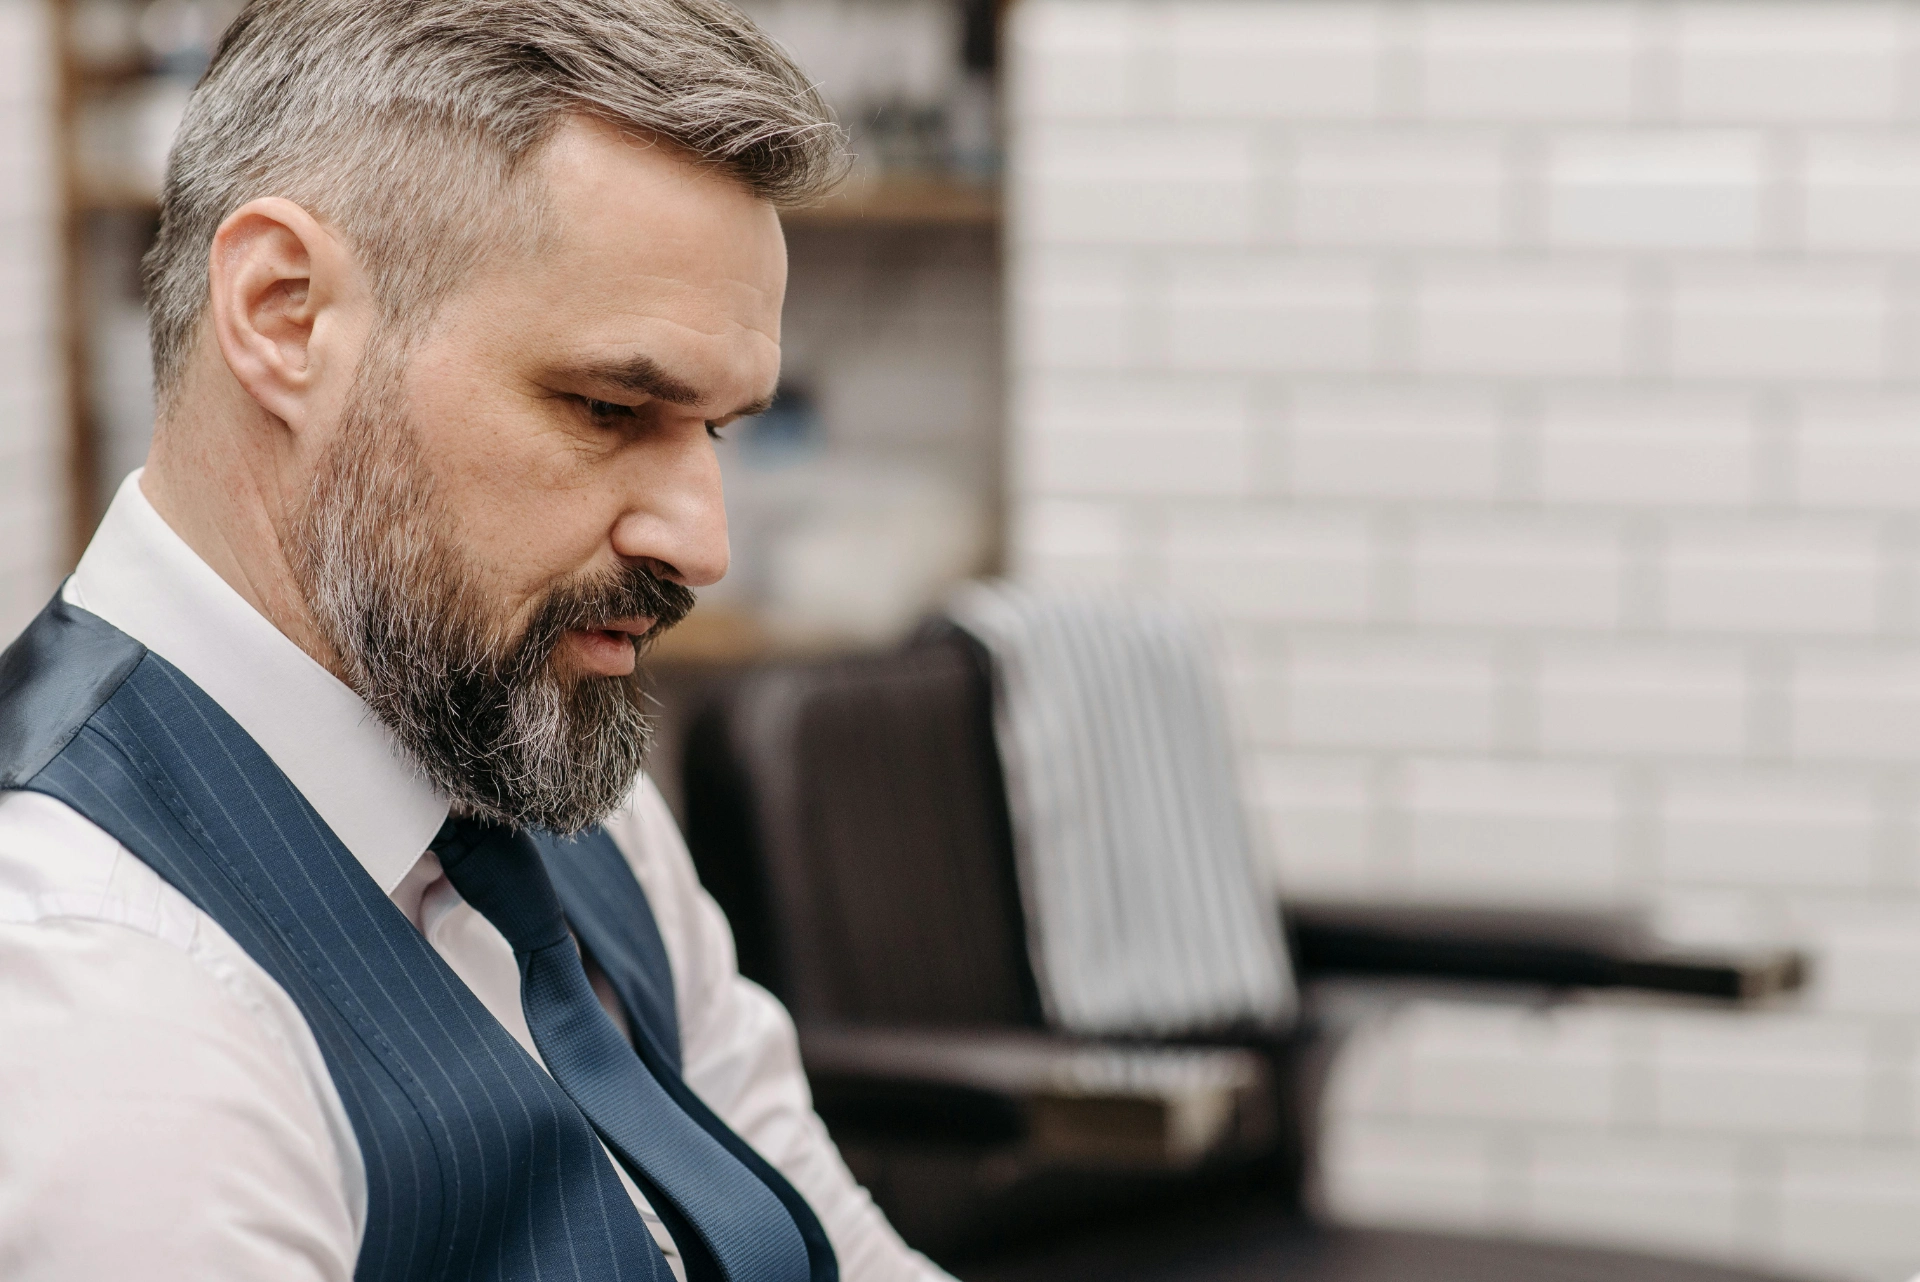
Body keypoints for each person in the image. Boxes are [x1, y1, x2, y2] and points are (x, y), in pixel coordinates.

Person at [0, 2, 949, 1279]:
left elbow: (830, 1237)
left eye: (715, 431)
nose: (702, 542)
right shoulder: (98, 991)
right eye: (611, 407)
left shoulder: (534, 751)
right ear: (285, 314)